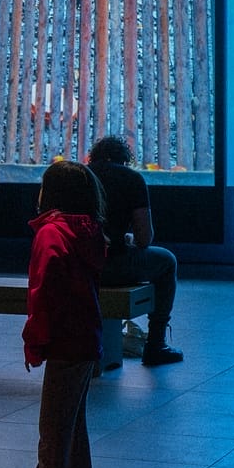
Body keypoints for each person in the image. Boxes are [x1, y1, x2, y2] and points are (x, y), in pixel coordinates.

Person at [4, 158, 109, 468]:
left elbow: (43, 293)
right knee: (71, 426)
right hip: (85, 340)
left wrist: (35, 342)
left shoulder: (51, 233)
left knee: (52, 432)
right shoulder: (88, 230)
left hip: (65, 343)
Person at [86, 135, 181, 365]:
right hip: (112, 266)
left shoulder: (77, 177)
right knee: (167, 261)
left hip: (77, 266)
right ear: (124, 159)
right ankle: (156, 343)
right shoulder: (131, 178)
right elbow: (144, 238)